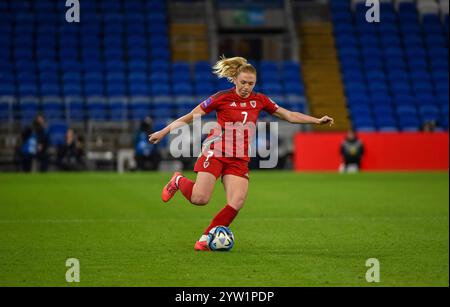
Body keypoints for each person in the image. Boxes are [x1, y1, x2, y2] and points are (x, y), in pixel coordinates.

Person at [148, 56, 334, 251]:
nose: (246, 87)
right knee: (200, 199)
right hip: (216, 152)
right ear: (235, 79)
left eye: (251, 83)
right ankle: (177, 180)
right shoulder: (221, 97)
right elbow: (190, 117)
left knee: (236, 202)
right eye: (243, 82)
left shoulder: (260, 100)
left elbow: (289, 115)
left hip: (239, 158)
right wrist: (163, 132)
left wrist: (316, 120)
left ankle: (204, 239)